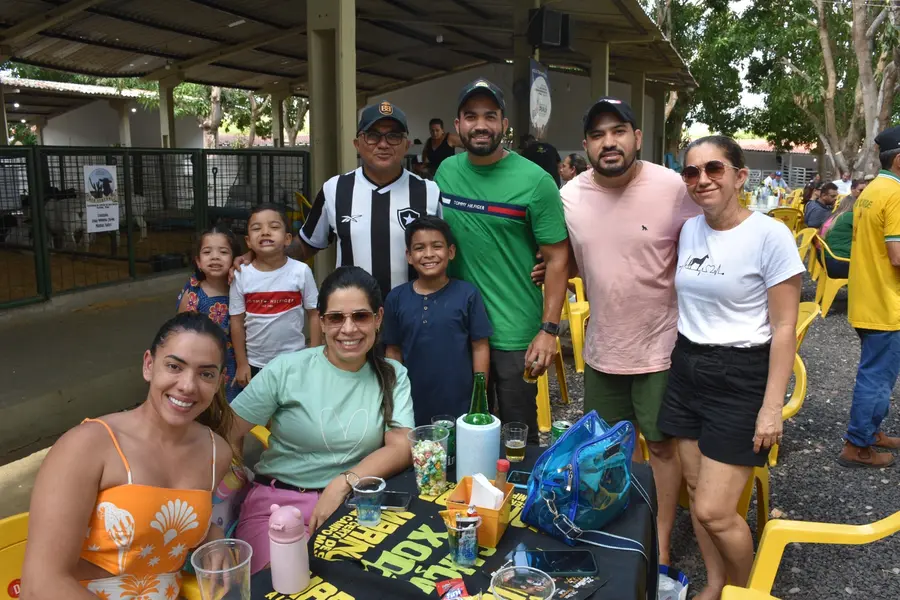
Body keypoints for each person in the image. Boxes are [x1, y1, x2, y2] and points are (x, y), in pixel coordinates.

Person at [657, 135, 803, 598]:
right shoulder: (689, 230)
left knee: (715, 510)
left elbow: (784, 327)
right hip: (687, 366)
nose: (702, 180)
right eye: (692, 172)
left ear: (741, 176)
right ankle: (716, 581)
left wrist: (771, 408)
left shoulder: (770, 235)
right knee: (698, 497)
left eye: (714, 169)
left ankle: (745, 590)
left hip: (740, 373)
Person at [558, 96, 700, 568]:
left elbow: (707, 245)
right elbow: (579, 255)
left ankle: (658, 540)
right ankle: (614, 530)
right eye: (598, 134)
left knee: (660, 445)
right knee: (604, 450)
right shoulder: (571, 196)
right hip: (603, 349)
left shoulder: (673, 188)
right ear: (585, 145)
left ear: (637, 137)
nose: (609, 142)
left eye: (618, 130)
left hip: (661, 346)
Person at [21, 313, 235, 600]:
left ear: (220, 381)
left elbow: (163, 523)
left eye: (206, 374)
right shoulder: (87, 445)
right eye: (174, 366)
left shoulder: (216, 452)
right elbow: (41, 583)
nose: (187, 385)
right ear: (149, 365)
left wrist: (214, 538)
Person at [229, 266, 415, 573]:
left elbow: (401, 447)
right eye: (336, 318)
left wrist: (341, 485)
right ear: (322, 322)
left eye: (361, 316)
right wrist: (232, 485)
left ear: (378, 318)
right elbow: (227, 432)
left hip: (354, 506)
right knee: (290, 583)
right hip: (279, 504)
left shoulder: (393, 375)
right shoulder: (288, 369)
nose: (349, 328)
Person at [435, 78, 570, 443]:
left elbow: (557, 258)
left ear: (504, 125)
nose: (481, 124)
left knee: (516, 438)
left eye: (490, 116)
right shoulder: (445, 173)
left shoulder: (536, 181)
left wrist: (548, 330)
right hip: (459, 329)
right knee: (462, 431)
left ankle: (521, 498)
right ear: (458, 124)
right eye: (471, 116)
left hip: (514, 333)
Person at [288, 102, 442, 297]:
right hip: (353, 318)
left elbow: (446, 253)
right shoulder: (335, 189)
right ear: (357, 144)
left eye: (394, 136)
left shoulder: (429, 192)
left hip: (415, 317)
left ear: (407, 145)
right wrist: (260, 260)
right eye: (372, 136)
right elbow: (305, 245)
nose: (383, 144)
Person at [382, 216, 493, 425]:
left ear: (450, 252)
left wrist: (479, 398)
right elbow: (393, 352)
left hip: (459, 402)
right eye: (419, 248)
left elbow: (480, 346)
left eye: (437, 246)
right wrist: (394, 396)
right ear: (409, 256)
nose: (429, 254)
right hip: (411, 402)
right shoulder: (395, 298)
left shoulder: (468, 294)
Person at [840, 125, 900, 467]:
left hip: (866, 298)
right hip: (885, 303)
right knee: (877, 376)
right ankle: (857, 445)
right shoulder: (896, 194)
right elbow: (896, 255)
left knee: (878, 373)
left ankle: (872, 432)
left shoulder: (873, 190)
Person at [230, 203, 320, 386]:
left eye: (274, 227)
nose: (265, 232)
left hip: (295, 360)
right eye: (257, 228)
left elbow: (314, 314)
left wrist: (315, 356)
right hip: (256, 364)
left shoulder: (301, 271)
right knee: (261, 414)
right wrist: (242, 363)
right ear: (248, 241)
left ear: (288, 239)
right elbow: (236, 321)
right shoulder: (241, 275)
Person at [178, 225, 244, 402]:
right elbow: (181, 334)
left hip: (235, 363)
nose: (215, 257)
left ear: (235, 259)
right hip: (202, 362)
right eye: (207, 252)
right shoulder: (194, 294)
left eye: (223, 252)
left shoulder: (243, 289)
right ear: (198, 261)